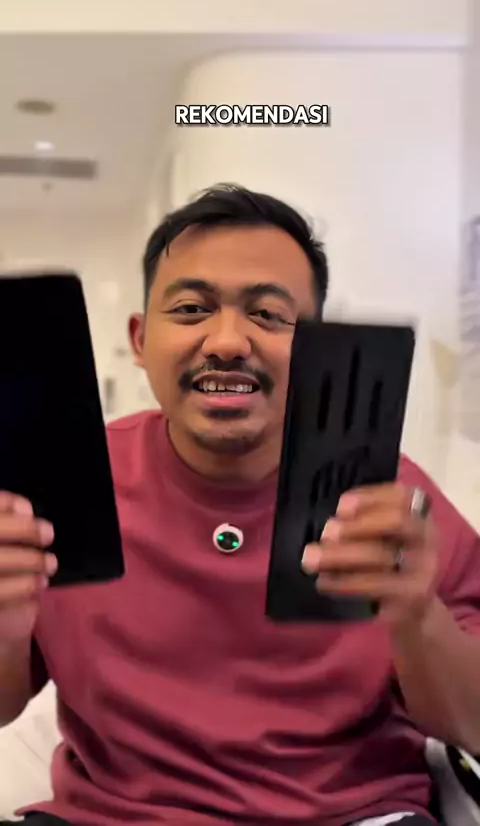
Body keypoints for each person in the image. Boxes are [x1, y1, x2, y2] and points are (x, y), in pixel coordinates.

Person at [0, 184, 479, 826]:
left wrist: (417, 615)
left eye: (269, 315)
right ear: (140, 339)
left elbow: (474, 724)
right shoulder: (58, 491)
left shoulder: (394, 504)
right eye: (192, 309)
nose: (227, 341)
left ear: (316, 345)